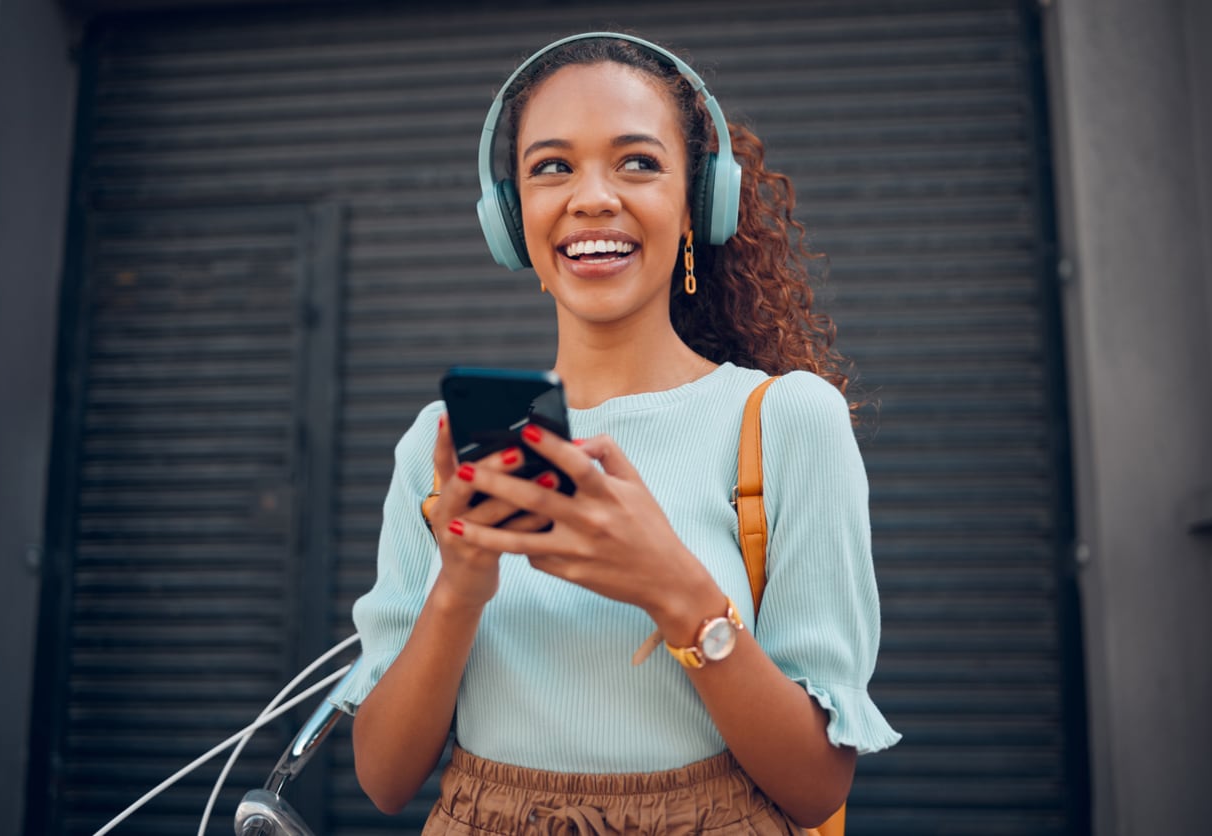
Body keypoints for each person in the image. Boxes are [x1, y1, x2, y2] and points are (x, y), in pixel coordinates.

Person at [332, 32, 900, 835]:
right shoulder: (444, 440)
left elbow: (815, 787)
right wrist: (459, 585)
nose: (592, 196)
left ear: (701, 204)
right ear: (509, 217)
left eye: (637, 162)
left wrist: (673, 588)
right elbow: (385, 779)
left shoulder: (784, 421)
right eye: (551, 167)